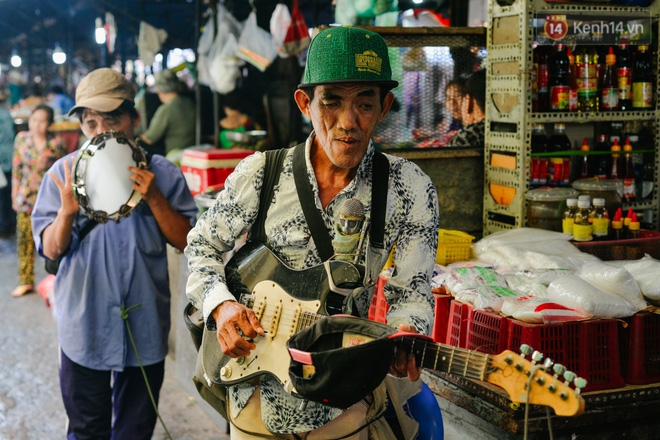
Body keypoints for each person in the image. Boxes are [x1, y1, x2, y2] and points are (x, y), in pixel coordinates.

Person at [185, 26, 440, 439]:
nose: (347, 122)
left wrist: (407, 331)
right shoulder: (261, 173)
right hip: (256, 400)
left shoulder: (409, 189)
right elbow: (201, 246)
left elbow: (412, 290)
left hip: (345, 405)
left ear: (385, 106)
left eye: (364, 103)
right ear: (305, 102)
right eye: (332, 102)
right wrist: (222, 307)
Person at [31, 68, 197, 439]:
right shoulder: (61, 174)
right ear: (82, 127)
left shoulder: (164, 174)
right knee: (87, 429)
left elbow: (187, 240)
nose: (102, 131)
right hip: (84, 327)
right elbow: (52, 250)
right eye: (91, 123)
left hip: (145, 328)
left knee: (134, 431)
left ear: (134, 117)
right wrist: (66, 213)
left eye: (112, 119)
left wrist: (153, 197)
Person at [11, 104, 67, 297]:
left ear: (49, 124)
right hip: (25, 199)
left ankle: (56, 278)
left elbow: (63, 173)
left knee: (53, 242)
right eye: (34, 119)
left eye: (42, 121)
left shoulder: (57, 144)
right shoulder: (22, 140)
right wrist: (14, 195)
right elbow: (17, 170)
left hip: (50, 202)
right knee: (24, 241)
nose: (36, 125)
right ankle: (26, 281)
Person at [139, 69, 196, 157]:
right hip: (193, 151)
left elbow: (150, 139)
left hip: (175, 156)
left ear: (159, 91)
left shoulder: (166, 109)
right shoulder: (189, 102)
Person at [446, 69, 486, 148]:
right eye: (448, 98)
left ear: (469, 100)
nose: (452, 103)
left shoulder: (470, 134)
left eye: (458, 96)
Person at [0, 93, 16, 237]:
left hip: (3, 159)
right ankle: (9, 224)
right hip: (9, 157)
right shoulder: (6, 113)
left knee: (3, 195)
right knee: (7, 194)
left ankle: (4, 226)